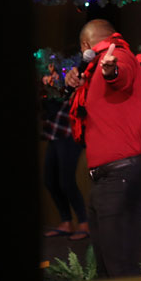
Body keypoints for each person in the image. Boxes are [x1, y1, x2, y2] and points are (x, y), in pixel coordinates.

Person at [65, 19, 141, 277]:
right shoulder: (91, 73)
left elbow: (120, 75)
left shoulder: (117, 54)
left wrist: (111, 72)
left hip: (122, 176)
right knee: (107, 268)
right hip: (109, 178)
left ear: (85, 45)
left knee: (120, 269)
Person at [41, 94, 89, 241]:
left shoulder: (74, 73)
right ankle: (66, 222)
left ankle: (84, 224)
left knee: (66, 181)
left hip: (71, 130)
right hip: (56, 129)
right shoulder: (49, 74)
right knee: (49, 179)